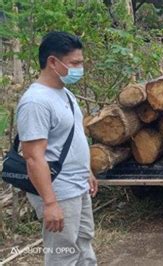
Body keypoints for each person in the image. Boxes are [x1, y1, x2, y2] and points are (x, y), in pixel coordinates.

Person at [17, 31, 98, 265]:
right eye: (75, 63)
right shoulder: (36, 102)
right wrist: (50, 203)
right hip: (59, 190)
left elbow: (71, 138)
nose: (80, 68)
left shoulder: (64, 93)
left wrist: (87, 172)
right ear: (53, 62)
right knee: (63, 253)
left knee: (84, 241)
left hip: (78, 184)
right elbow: (33, 157)